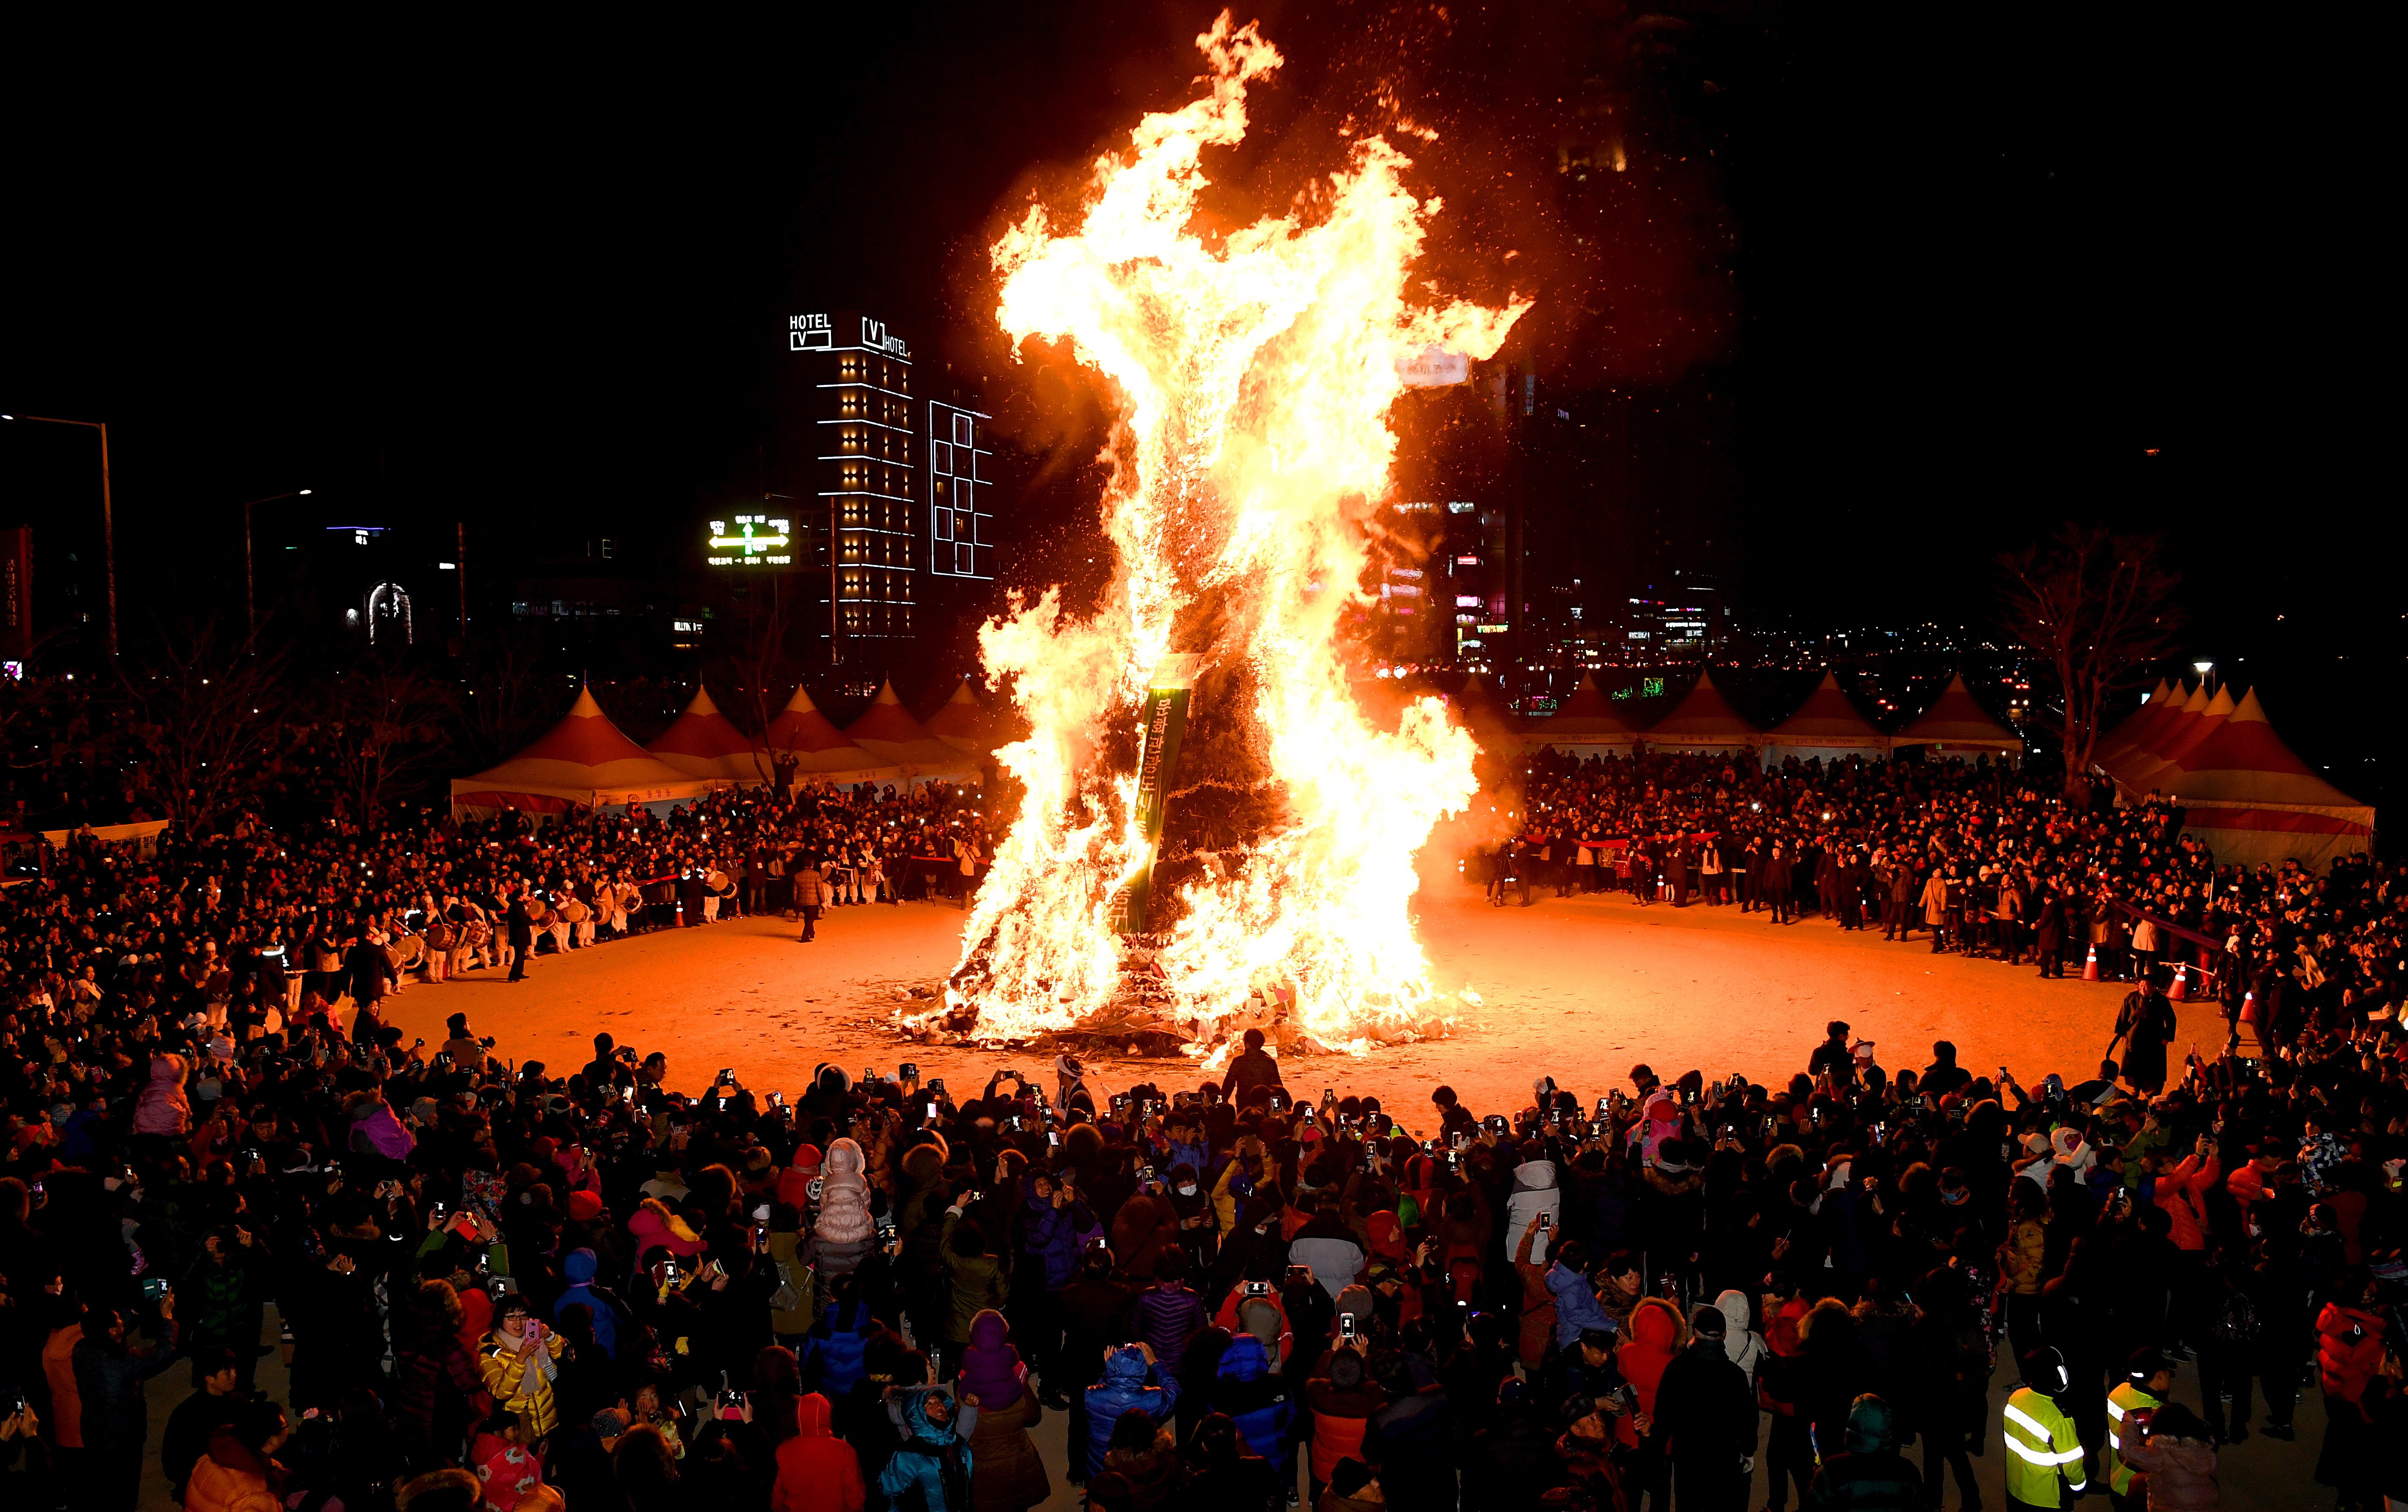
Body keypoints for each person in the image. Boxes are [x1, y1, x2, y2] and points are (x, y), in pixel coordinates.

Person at [1649, 1303, 1757, 1511]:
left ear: (1695, 1332)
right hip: (1724, 1458)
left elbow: (1663, 1413)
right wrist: (1748, 1450)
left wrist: (1659, 1447)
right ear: (1724, 1335)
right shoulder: (1735, 1375)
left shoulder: (1677, 1369)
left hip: (1688, 1457)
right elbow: (1747, 1418)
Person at [1800, 1393, 1918, 1510]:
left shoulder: (1833, 1469)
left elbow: (1814, 1507)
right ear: (1887, 1422)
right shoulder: (1908, 1471)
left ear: (1852, 1423)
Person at [161, 1346, 248, 1504]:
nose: (234, 1374)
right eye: (227, 1371)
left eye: (234, 1368)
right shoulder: (187, 1414)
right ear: (209, 1379)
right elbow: (173, 1465)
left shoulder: (239, 1402)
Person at [2001, 1348, 2086, 1510]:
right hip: (2046, 1497)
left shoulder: (2016, 1397)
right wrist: (2079, 1487)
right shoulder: (2059, 1418)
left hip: (2016, 1488)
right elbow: (2072, 1464)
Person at [183, 1398, 291, 1512]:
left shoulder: (213, 1457)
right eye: (285, 1425)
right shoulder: (256, 1493)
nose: (287, 1427)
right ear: (271, 1441)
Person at [2117, 1400, 2219, 1510]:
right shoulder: (2203, 1446)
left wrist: (2128, 1422)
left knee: (2136, 1483)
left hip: (2175, 1508)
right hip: (2206, 1505)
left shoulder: (2163, 1455)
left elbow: (2129, 1450)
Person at [2104, 1349, 2173, 1511]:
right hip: (2142, 1490)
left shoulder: (2118, 1392)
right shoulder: (2157, 1413)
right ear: (2160, 1375)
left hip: (2118, 1480)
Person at [770, 1394, 865, 1512]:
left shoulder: (784, 1450)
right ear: (827, 1414)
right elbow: (855, 1493)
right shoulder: (844, 1450)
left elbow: (777, 1494)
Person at [1220, 1029, 1286, 1107]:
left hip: (1245, 1108)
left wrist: (1220, 1105)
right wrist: (1277, 1110)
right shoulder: (1270, 1062)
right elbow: (1278, 1088)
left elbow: (1227, 1087)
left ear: (1247, 1044)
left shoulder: (1239, 1062)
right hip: (1265, 1108)